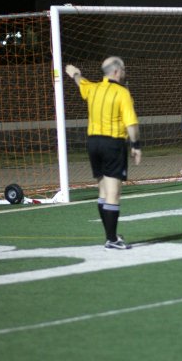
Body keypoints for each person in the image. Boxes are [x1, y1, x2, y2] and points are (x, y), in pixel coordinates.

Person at [65, 56, 142, 250]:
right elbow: (131, 123)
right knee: (113, 194)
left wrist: (73, 72)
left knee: (103, 191)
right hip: (112, 144)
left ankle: (111, 235)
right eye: (123, 69)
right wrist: (136, 145)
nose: (125, 72)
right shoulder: (121, 93)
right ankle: (112, 239)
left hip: (93, 143)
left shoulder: (93, 88)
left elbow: (79, 81)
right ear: (116, 72)